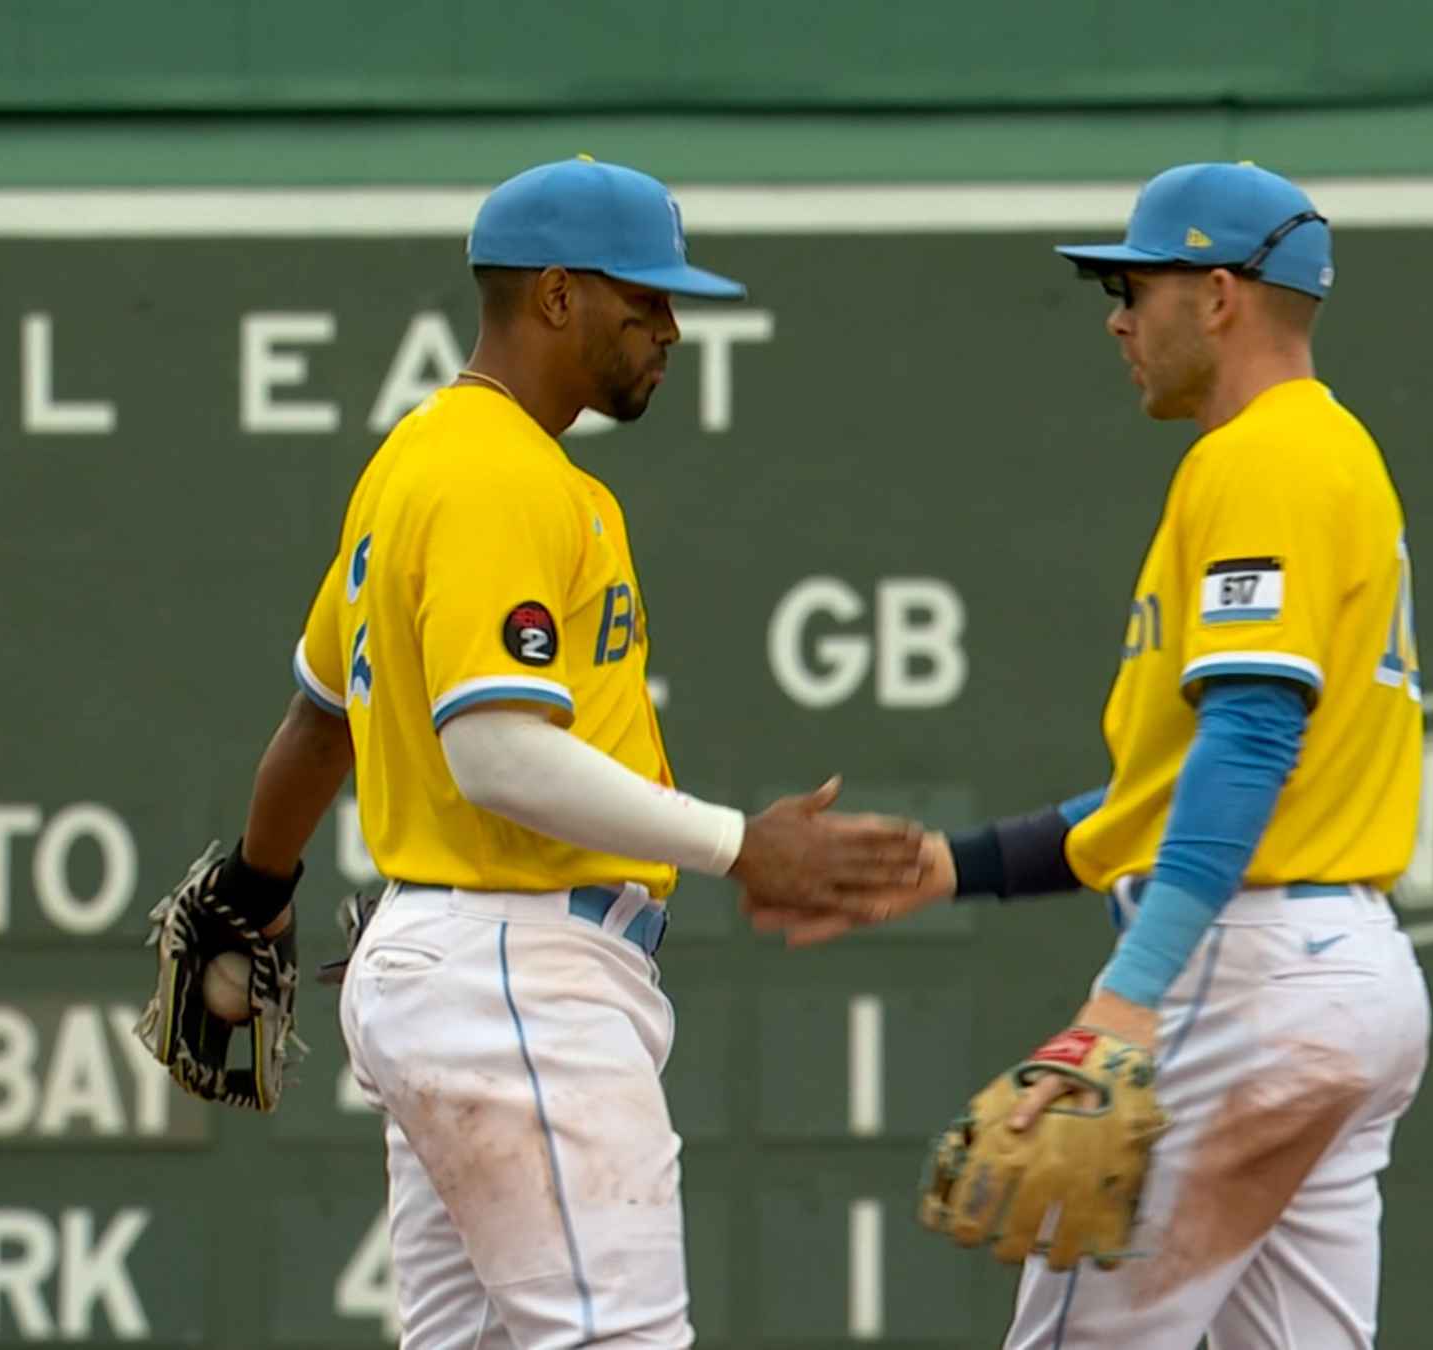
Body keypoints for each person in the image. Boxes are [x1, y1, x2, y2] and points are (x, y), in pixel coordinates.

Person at [221, 156, 922, 1346]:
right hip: (517, 972)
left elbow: (318, 720)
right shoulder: (497, 472)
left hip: (449, 963)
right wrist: (736, 842)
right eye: (643, 300)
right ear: (555, 294)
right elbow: (496, 753)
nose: (669, 329)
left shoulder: (412, 466)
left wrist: (256, 889)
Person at [746, 161, 1433, 1349]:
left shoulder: (1259, 458)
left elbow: (1253, 739)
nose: (1118, 317)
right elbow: (1167, 795)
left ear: (1218, 294)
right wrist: (956, 866)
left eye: (1134, 285)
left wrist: (1129, 996)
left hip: (1245, 969)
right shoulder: (1333, 454)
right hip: (1351, 976)